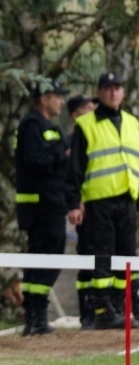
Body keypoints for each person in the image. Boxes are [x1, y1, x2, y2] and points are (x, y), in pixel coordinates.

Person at [66, 72, 139, 330]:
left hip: (127, 199)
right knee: (102, 255)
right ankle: (103, 310)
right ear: (99, 93)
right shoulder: (86, 124)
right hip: (99, 201)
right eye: (108, 88)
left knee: (127, 255)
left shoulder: (133, 123)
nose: (113, 93)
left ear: (123, 92)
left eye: (117, 88)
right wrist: (74, 203)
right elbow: (75, 168)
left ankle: (120, 307)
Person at [14, 79, 69, 336]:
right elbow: (35, 160)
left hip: (52, 203)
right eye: (58, 96)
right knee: (43, 258)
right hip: (41, 207)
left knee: (48, 258)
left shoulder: (50, 127)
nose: (62, 101)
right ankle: (35, 318)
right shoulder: (31, 124)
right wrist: (60, 153)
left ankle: (37, 316)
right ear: (43, 99)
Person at [65, 94, 98, 329]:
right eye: (88, 107)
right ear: (76, 114)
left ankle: (104, 310)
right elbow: (71, 176)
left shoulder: (95, 138)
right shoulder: (69, 142)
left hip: (100, 209)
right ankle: (87, 313)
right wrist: (75, 203)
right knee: (87, 257)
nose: (93, 110)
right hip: (83, 209)